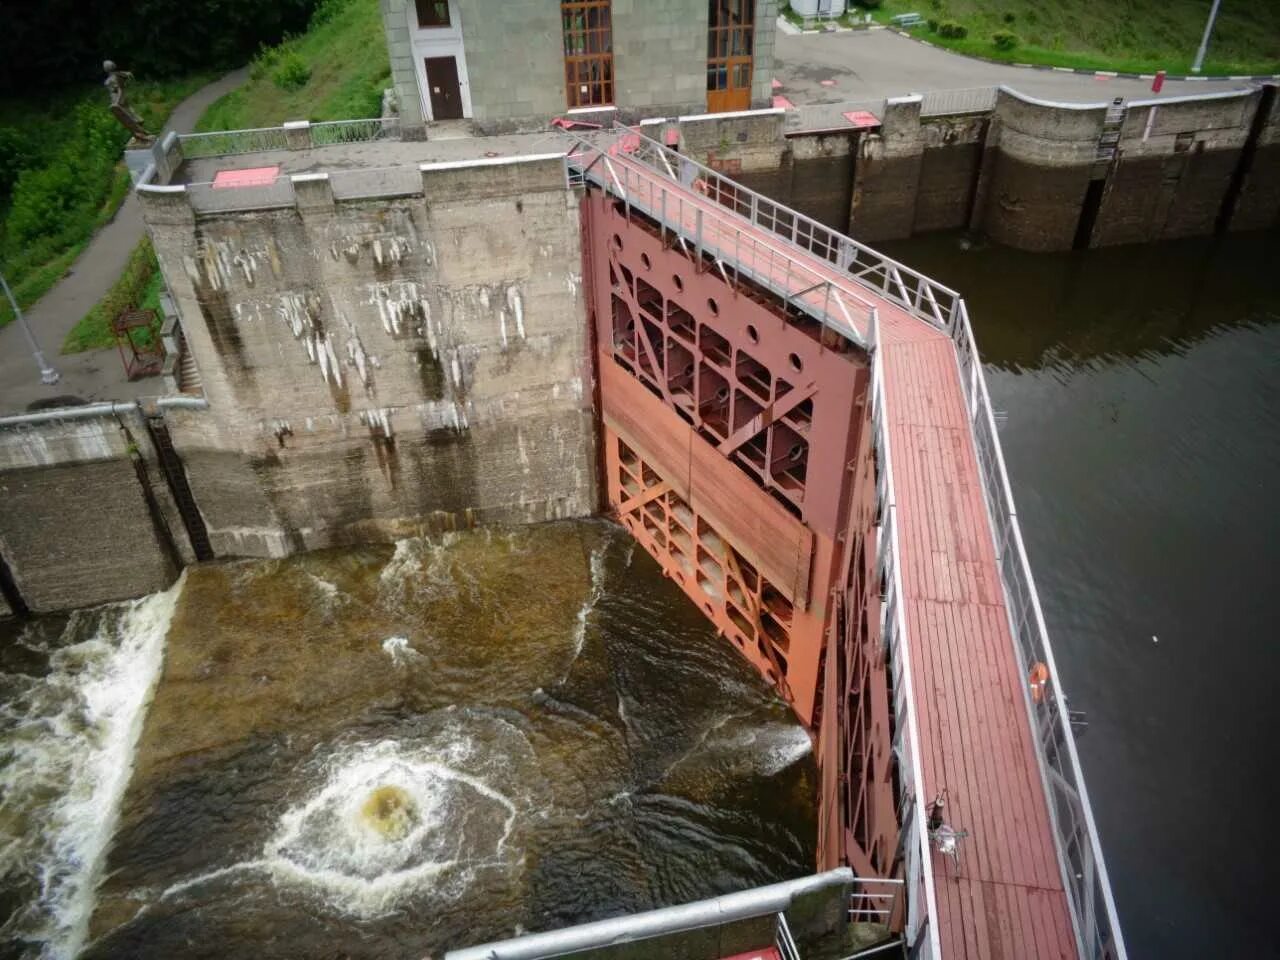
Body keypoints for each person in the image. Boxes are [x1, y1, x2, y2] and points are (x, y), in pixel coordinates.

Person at [103, 60, 153, 143]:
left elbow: (120, 89)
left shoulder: (113, 78)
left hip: (118, 101)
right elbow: (121, 87)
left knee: (129, 119)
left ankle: (140, 134)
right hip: (120, 100)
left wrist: (116, 102)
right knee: (130, 117)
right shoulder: (117, 75)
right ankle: (140, 134)